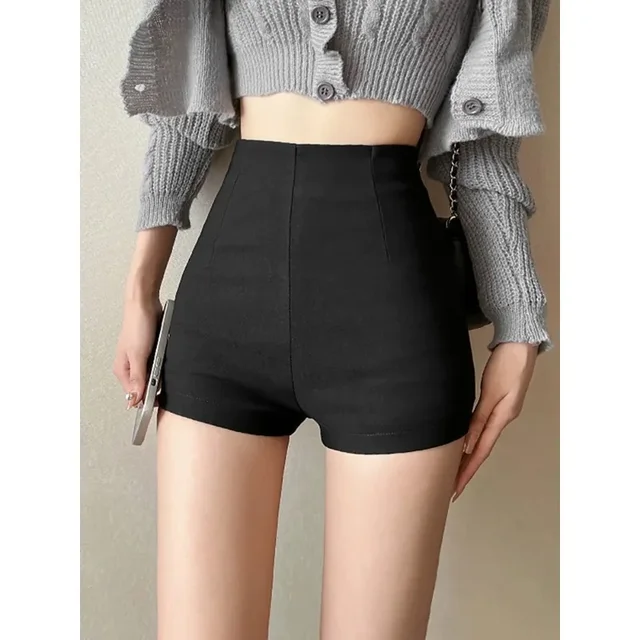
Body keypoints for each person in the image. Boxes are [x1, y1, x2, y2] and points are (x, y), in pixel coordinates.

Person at [113, 1, 552, 637]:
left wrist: (518, 324)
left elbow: (484, 148)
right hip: (223, 314)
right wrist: (139, 291)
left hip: (396, 326)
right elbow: (187, 110)